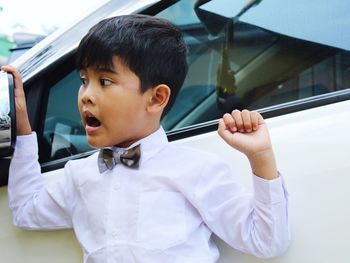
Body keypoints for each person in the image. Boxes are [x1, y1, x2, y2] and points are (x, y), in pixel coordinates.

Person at [2, 14, 289, 263]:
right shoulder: (79, 176)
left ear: (156, 98)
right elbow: (26, 211)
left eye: (104, 81)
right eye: (83, 81)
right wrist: (23, 129)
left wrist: (260, 157)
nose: (86, 94)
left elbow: (265, 241)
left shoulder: (197, 170)